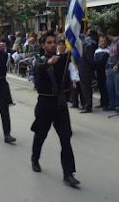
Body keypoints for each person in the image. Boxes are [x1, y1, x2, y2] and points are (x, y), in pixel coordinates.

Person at [31, 31, 80, 187]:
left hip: (60, 104)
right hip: (45, 103)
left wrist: (67, 54)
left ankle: (68, 174)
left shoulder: (62, 60)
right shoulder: (39, 61)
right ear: (43, 45)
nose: (52, 45)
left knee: (66, 138)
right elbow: (38, 69)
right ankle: (35, 158)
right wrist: (48, 63)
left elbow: (67, 71)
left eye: (54, 42)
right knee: (40, 135)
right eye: (49, 42)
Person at [105, 28, 119, 112]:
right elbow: (110, 56)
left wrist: (118, 64)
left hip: (118, 67)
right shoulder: (112, 43)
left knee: (118, 87)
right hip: (110, 66)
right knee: (110, 87)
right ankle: (112, 104)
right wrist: (107, 66)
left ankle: (118, 105)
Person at [94, 34, 110, 109]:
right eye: (101, 41)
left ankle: (106, 104)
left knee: (106, 87)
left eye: (104, 41)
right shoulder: (97, 51)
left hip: (106, 71)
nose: (103, 42)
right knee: (100, 87)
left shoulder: (109, 50)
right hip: (99, 71)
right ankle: (102, 102)